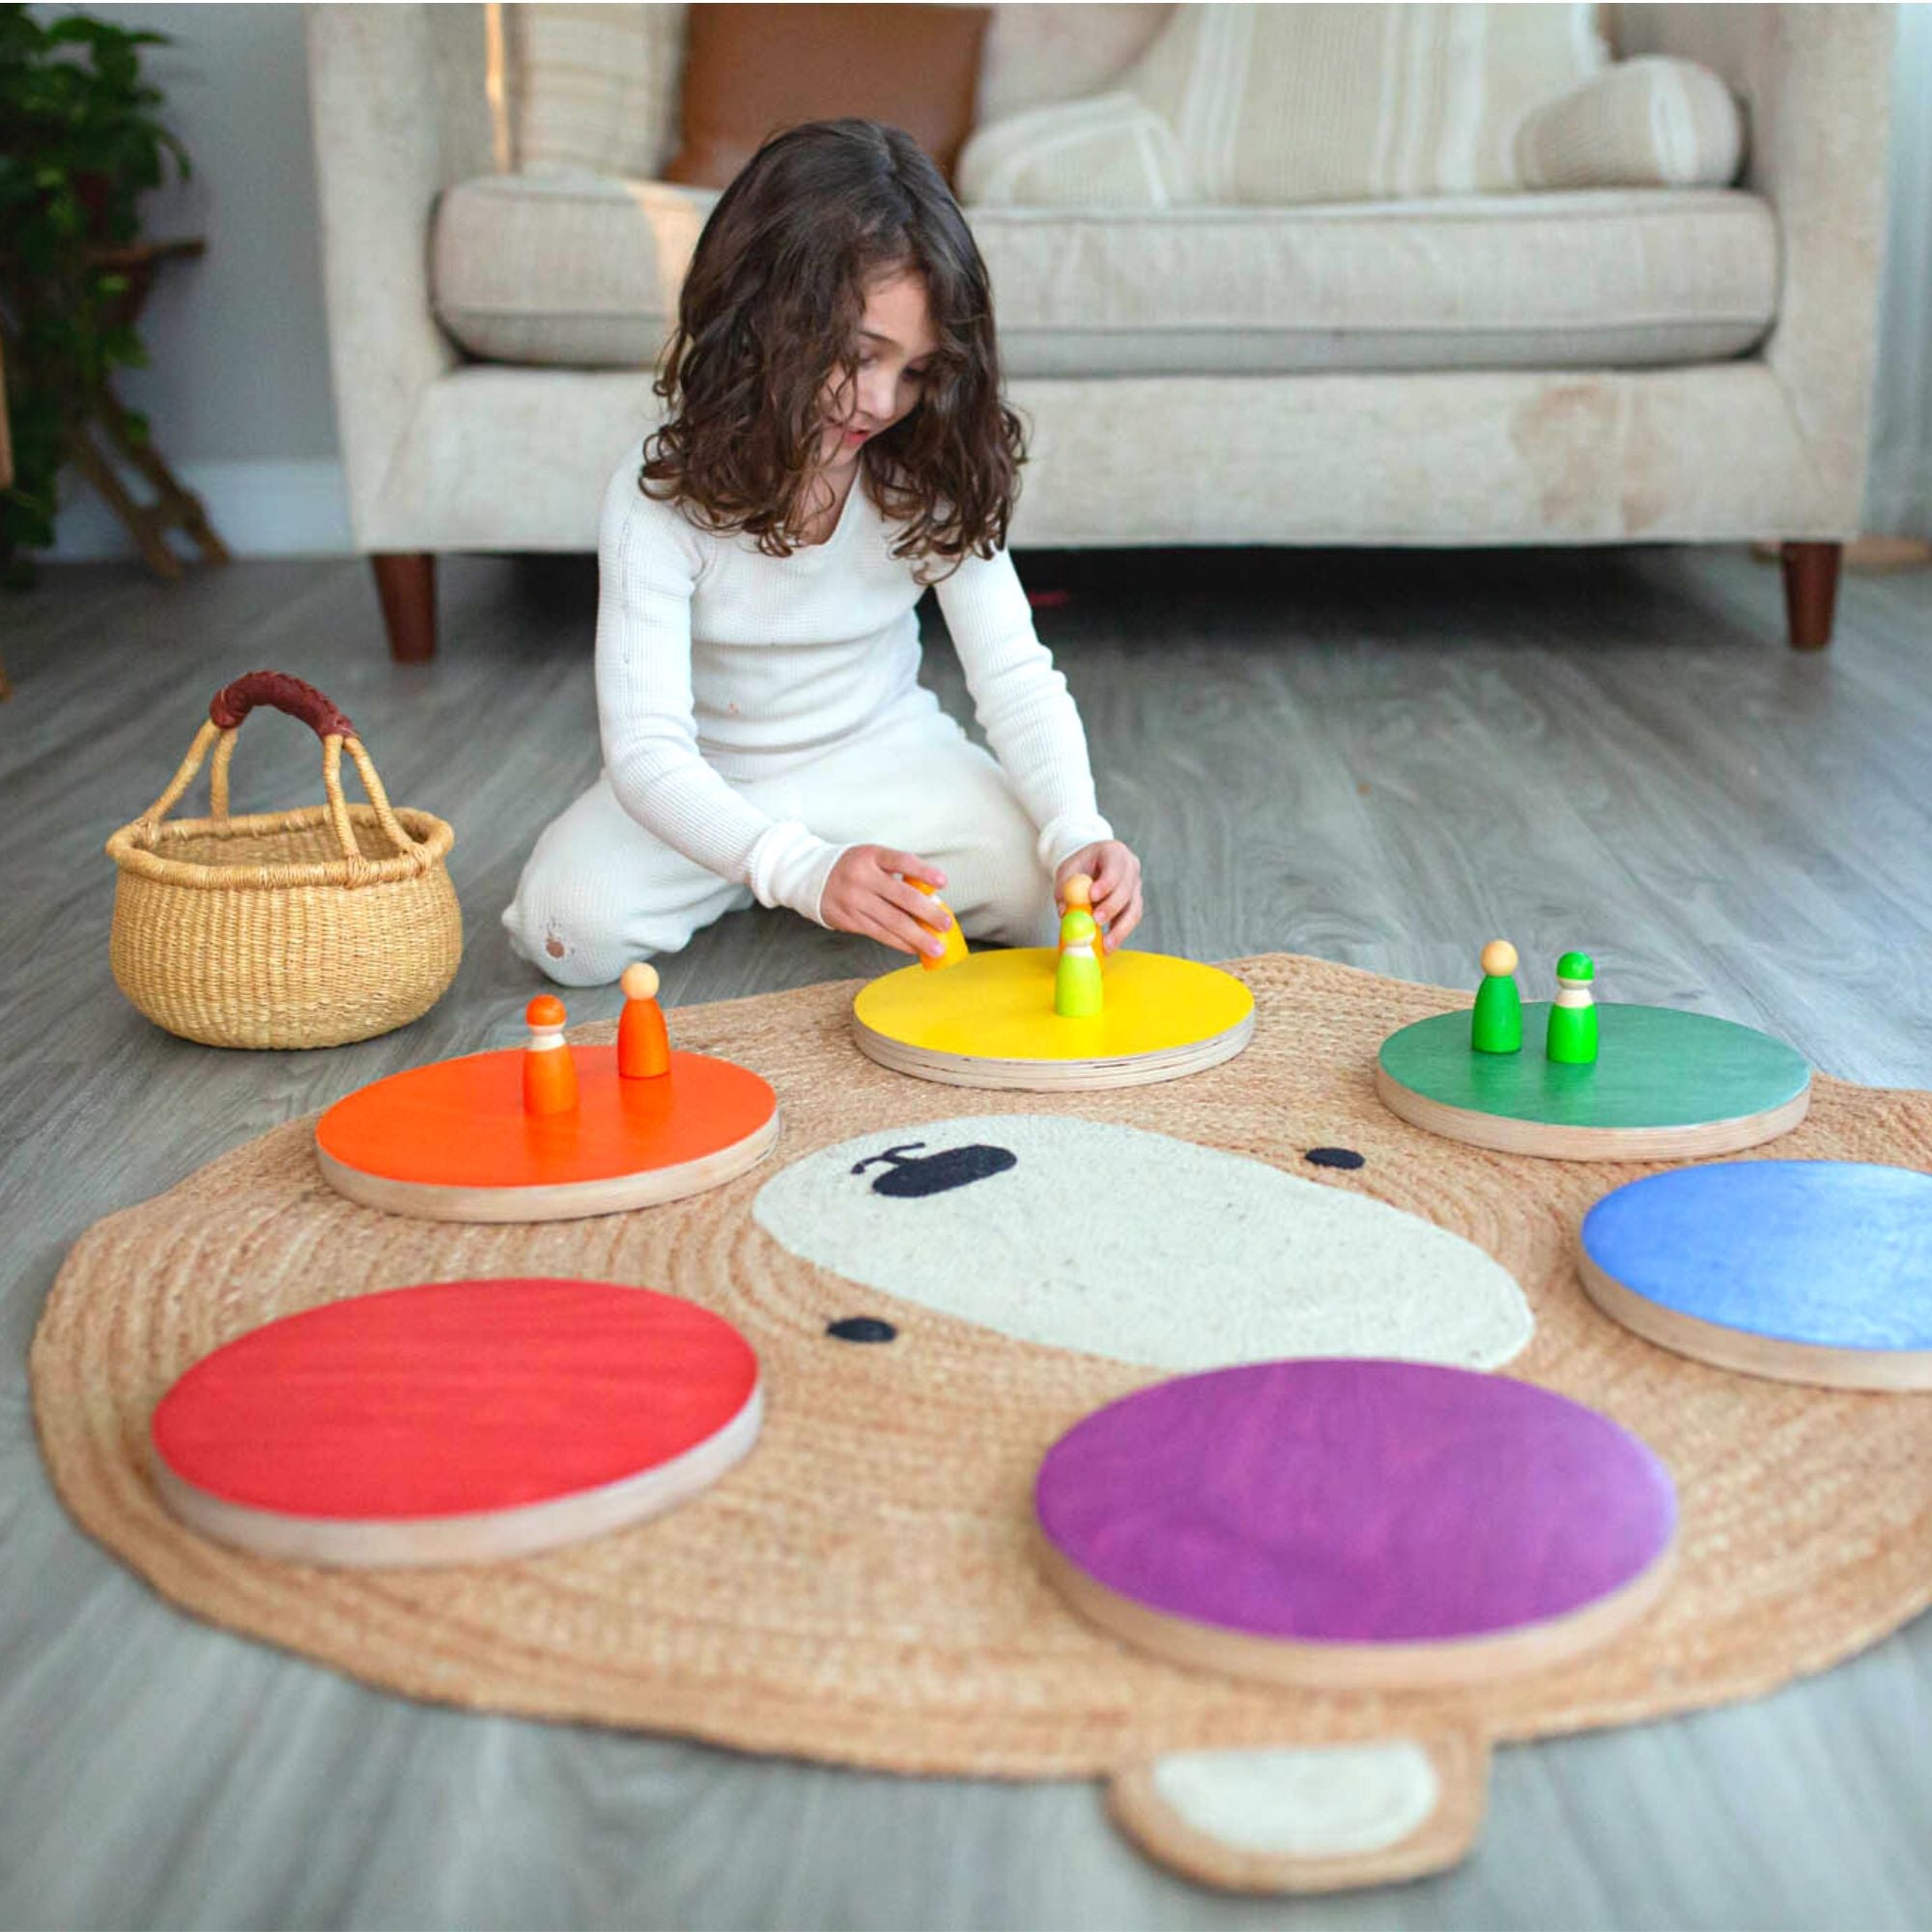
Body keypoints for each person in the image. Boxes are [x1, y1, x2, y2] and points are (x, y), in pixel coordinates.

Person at [504, 119, 1144, 985]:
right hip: (711, 780)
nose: (883, 400)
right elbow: (649, 755)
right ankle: (757, 872)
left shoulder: (928, 469)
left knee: (1049, 906)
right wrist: (793, 867)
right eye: (857, 356)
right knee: (564, 933)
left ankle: (822, 871)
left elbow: (1016, 677)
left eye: (917, 371)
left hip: (886, 754)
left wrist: (1079, 831)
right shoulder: (656, 494)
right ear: (761, 320)